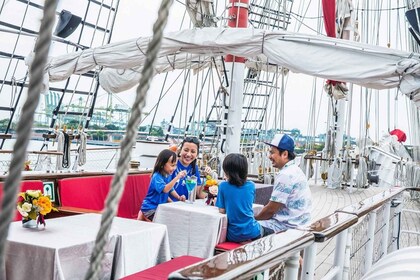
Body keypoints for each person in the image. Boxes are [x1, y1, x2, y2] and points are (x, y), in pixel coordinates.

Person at [255, 134, 312, 232]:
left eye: (272, 153)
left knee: (242, 227)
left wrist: (252, 219)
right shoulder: (295, 170)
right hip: (301, 224)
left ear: (285, 154)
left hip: (288, 228)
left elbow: (270, 210)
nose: (269, 156)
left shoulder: (285, 175)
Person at [216, 153, 274, 242]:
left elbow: (222, 211)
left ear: (227, 172)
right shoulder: (251, 185)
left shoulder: (223, 186)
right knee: (273, 233)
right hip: (252, 231)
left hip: (233, 235)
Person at [138, 149, 186, 221]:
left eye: (175, 165)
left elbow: (171, 189)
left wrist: (179, 198)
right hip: (149, 208)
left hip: (159, 208)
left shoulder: (168, 175)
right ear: (162, 165)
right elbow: (165, 189)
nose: (174, 168)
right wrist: (177, 177)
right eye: (172, 165)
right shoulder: (156, 176)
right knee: (164, 221)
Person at [169, 137, 211, 201]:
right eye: (186, 150)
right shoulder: (171, 164)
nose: (188, 154)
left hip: (185, 206)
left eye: (193, 152)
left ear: (196, 155)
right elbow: (163, 190)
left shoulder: (194, 168)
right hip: (169, 205)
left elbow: (201, 195)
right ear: (180, 150)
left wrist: (208, 178)